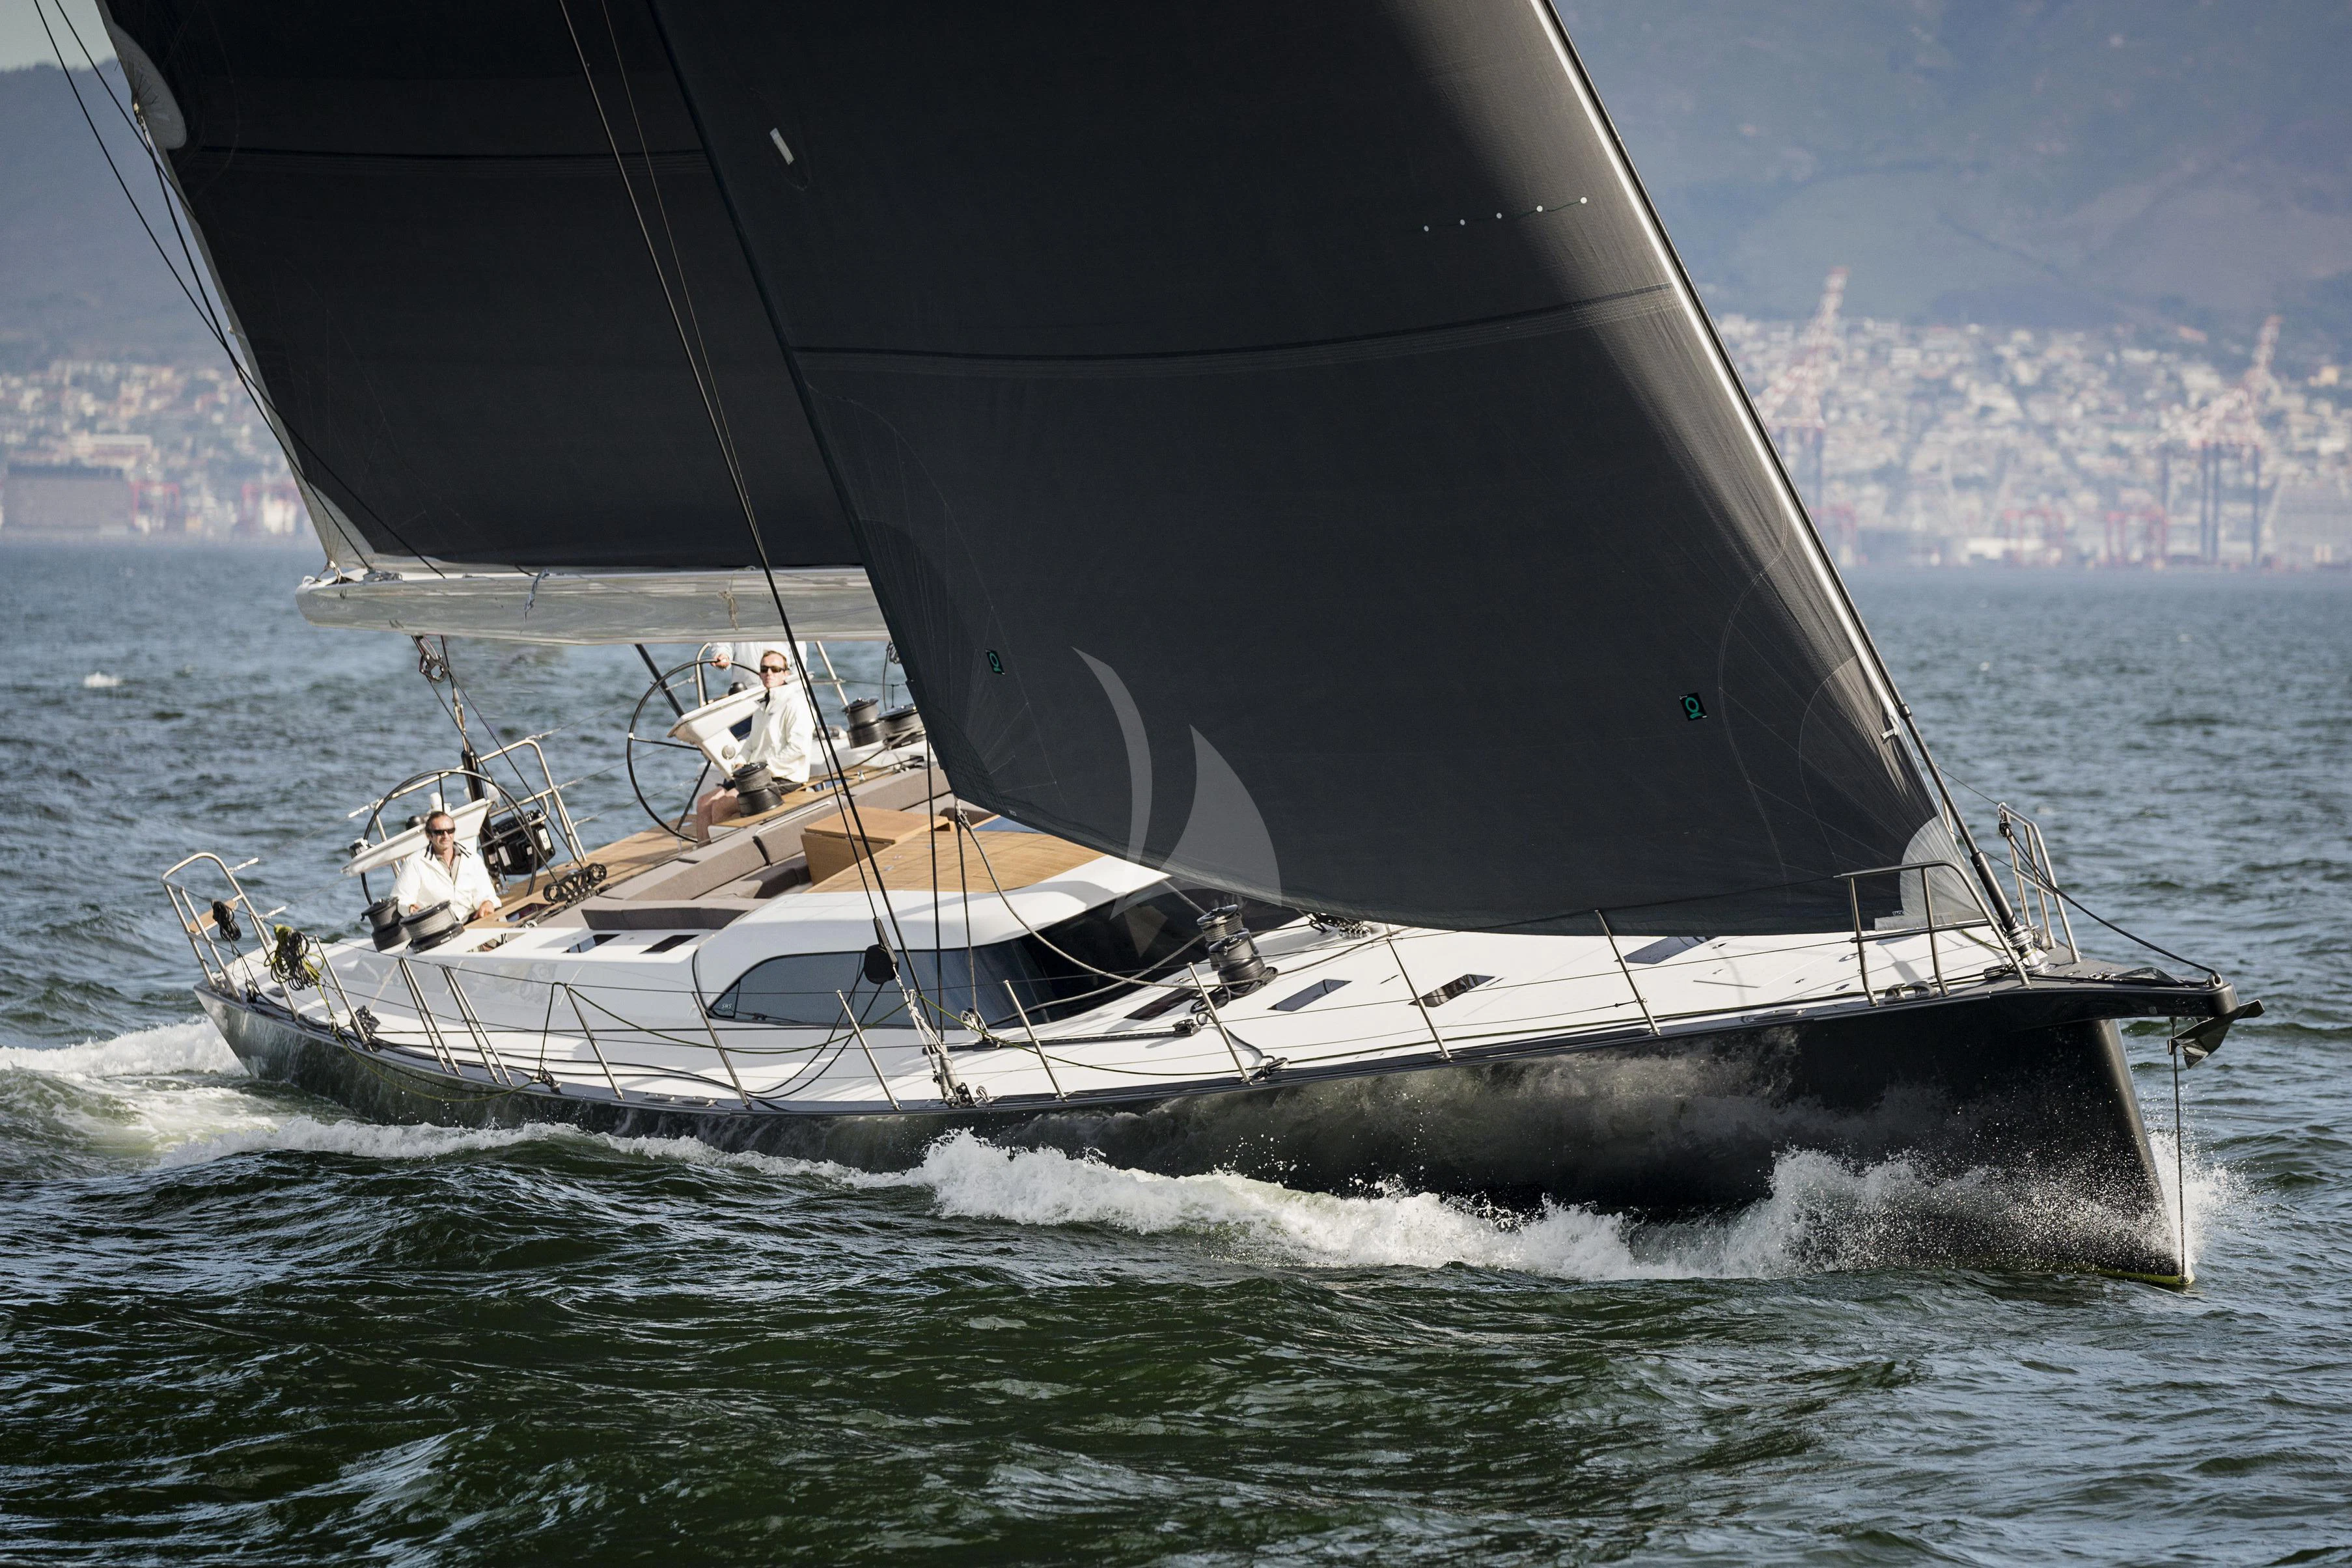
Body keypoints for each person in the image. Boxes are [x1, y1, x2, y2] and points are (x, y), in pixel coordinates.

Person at [691, 646, 817, 842]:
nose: (769, 673)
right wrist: (741, 761)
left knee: (722, 806)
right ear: (759, 673)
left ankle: (724, 854)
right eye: (764, 669)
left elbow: (797, 749)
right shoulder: (762, 706)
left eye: (775, 669)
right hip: (756, 775)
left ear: (786, 673)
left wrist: (762, 768)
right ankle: (704, 853)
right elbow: (750, 744)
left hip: (784, 777)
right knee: (704, 802)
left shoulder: (796, 705)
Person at [393, 810, 501, 923]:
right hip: (435, 927)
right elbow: (401, 899)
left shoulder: (473, 859)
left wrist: (487, 903)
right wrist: (410, 908)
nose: (446, 836)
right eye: (439, 832)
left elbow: (486, 893)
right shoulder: (414, 862)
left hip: (472, 922)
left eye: (450, 831)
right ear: (429, 835)